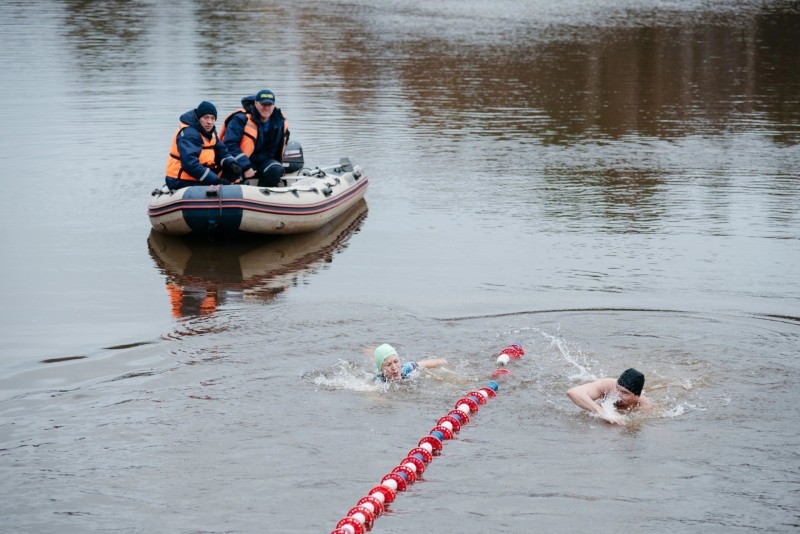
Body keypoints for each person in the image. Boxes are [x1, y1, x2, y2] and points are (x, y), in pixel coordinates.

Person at [165, 101, 243, 190]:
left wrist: (232, 164)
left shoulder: (210, 132)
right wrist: (216, 180)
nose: (209, 122)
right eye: (206, 118)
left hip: (199, 175)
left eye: (212, 118)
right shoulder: (189, 134)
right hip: (180, 180)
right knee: (221, 185)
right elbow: (190, 165)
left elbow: (222, 151)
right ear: (198, 118)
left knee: (233, 171)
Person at [219, 89, 289, 187]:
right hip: (241, 161)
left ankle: (263, 195)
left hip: (265, 161)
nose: (266, 108)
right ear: (256, 104)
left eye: (269, 105)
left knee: (276, 170)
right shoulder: (240, 119)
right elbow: (230, 145)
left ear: (274, 106)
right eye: (263, 104)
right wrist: (246, 166)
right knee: (233, 174)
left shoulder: (279, 121)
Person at [566, 368, 651, 425]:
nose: (617, 394)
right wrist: (601, 412)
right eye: (617, 388)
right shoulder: (607, 385)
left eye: (625, 393)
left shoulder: (644, 405)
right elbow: (573, 392)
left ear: (637, 396)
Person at [373, 343, 447, 383]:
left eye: (396, 361)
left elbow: (429, 363)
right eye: (388, 365)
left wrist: (444, 362)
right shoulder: (379, 382)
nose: (394, 367)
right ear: (381, 370)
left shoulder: (407, 368)